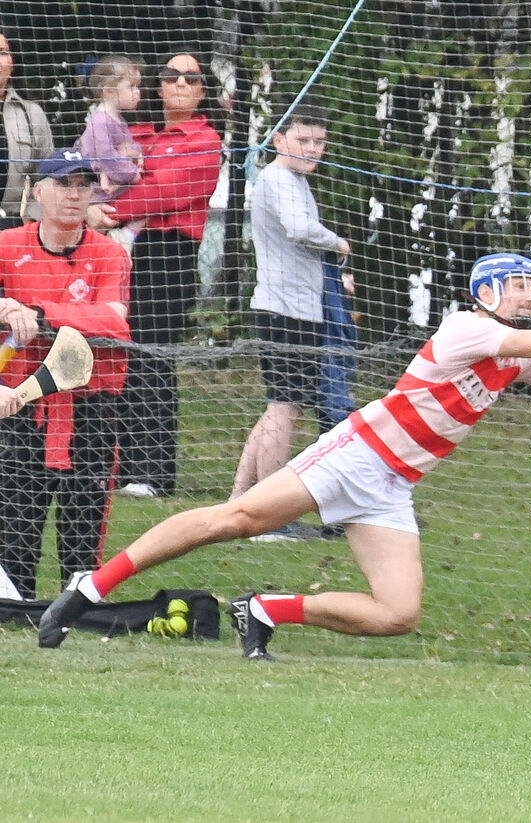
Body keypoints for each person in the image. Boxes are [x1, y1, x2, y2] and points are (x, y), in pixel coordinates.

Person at [38, 253, 531, 658]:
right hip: (358, 454)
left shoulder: (516, 358)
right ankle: (89, 588)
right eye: (518, 284)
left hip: (391, 486)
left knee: (398, 612)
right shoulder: (468, 330)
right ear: (486, 294)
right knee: (234, 519)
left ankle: (264, 610)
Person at [0, 148, 132, 599]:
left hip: (90, 406)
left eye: (83, 186)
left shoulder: (110, 253)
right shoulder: (7, 245)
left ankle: (77, 604)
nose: (74, 196)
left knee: (84, 521)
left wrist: (40, 313)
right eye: (63, 185)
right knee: (16, 519)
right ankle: (13, 602)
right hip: (18, 404)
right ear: (38, 192)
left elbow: (114, 319)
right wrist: (7, 307)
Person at [88, 53, 222, 499]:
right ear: (159, 86)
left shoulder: (205, 139)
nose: (180, 83)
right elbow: (94, 164)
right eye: (171, 75)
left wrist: (106, 210)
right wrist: (89, 204)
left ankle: (154, 471)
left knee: (152, 356)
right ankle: (120, 465)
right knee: (119, 353)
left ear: (202, 90)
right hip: (119, 250)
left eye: (191, 78)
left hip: (168, 255)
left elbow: (164, 191)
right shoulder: (135, 132)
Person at [230, 104, 351, 542]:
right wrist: (338, 243)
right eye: (304, 140)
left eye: (319, 142)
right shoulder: (279, 178)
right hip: (285, 313)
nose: (312, 149)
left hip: (293, 310)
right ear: (279, 140)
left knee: (278, 407)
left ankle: (240, 501)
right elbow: (300, 228)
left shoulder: (293, 180)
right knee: (286, 408)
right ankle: (268, 518)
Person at [0, 29, 54, 230]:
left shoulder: (32, 114)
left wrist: (31, 219)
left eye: (2, 52)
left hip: (15, 227)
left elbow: (46, 175)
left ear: (13, 62)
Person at [76, 55, 144, 203]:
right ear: (109, 91)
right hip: (100, 194)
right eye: (131, 86)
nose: (137, 92)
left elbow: (125, 148)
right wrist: (132, 173)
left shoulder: (117, 118)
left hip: (115, 187)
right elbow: (106, 156)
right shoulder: (101, 121)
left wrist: (135, 152)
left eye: (137, 86)